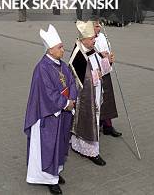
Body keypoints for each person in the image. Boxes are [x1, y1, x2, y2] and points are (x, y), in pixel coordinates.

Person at [24, 25, 78, 194]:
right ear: (50, 49)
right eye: (60, 47)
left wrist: (72, 98)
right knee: (47, 146)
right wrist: (65, 103)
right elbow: (47, 93)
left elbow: (71, 82)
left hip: (61, 112)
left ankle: (56, 170)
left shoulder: (61, 65)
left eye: (62, 46)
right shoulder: (42, 68)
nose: (63, 49)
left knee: (59, 144)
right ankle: (47, 178)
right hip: (47, 115)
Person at [68, 20, 106, 166]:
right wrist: (97, 75)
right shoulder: (78, 54)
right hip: (85, 97)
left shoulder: (92, 48)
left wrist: (107, 62)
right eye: (91, 38)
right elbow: (82, 80)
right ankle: (91, 151)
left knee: (91, 121)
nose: (94, 40)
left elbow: (98, 66)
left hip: (95, 92)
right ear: (83, 39)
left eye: (94, 38)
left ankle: (82, 146)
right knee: (87, 120)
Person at [94, 20, 122, 137]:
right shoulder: (86, 38)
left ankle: (108, 126)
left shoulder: (102, 37)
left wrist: (109, 57)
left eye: (99, 25)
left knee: (108, 98)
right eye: (96, 25)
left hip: (105, 71)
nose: (99, 28)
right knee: (96, 101)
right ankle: (96, 126)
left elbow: (107, 50)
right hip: (95, 74)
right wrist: (101, 55)